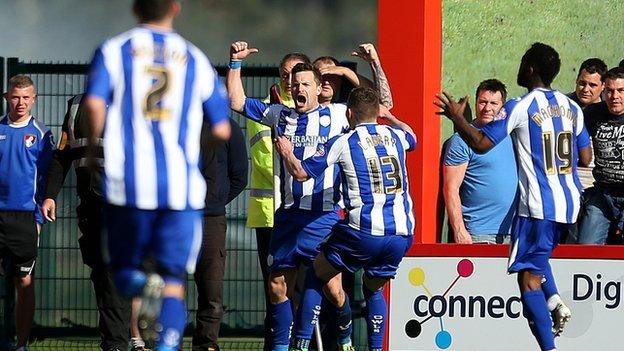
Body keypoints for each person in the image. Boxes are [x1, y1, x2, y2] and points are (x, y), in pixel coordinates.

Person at [84, 1, 231, 350]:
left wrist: (92, 152)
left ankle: (142, 286)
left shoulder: (114, 49)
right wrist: (190, 151)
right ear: (176, 9)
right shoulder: (195, 58)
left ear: (135, 8)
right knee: (174, 281)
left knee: (122, 273)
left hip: (130, 184)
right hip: (181, 189)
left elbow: (92, 104)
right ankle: (167, 344)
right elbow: (223, 129)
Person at [435, 42, 592, 351]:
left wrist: (458, 119)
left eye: (523, 62)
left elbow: (481, 142)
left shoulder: (522, 105)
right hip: (569, 203)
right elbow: (585, 157)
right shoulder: (572, 107)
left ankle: (550, 348)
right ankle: (556, 300)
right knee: (530, 257)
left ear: (530, 69)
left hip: (540, 206)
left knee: (528, 281)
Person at [226, 41, 350, 351]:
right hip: (289, 214)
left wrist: (352, 71)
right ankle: (284, 346)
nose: (298, 89)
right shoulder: (279, 114)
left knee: (330, 286)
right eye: (294, 84)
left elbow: (374, 103)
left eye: (304, 84)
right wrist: (235, 63)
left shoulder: (336, 115)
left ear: (319, 87)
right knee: (277, 285)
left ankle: (345, 329)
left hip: (323, 215)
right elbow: (237, 101)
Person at [274, 87, 415, 351]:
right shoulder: (395, 135)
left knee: (317, 272)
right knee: (373, 289)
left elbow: (302, 173)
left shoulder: (344, 140)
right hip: (402, 235)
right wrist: (391, 117)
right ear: (378, 113)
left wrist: (286, 152)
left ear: (349, 113)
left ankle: (301, 344)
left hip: (363, 231)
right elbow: (413, 136)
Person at [41, 94, 142, 351]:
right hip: (90, 204)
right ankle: (113, 340)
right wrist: (50, 195)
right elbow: (62, 155)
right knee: (100, 273)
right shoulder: (76, 106)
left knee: (113, 274)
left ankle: (117, 343)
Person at [246, 52, 310, 351]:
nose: (289, 80)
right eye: (285, 74)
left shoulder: (314, 112)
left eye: (295, 75)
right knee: (275, 288)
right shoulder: (267, 110)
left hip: (303, 213)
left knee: (304, 287)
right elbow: (262, 158)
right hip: (269, 214)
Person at [0, 75, 54, 351]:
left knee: (24, 281)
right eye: (15, 96)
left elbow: (46, 181)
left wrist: (38, 221)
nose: (20, 102)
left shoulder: (43, 135)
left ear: (34, 99)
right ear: (7, 97)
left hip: (23, 219)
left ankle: (21, 344)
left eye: (25, 97)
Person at [192, 118, 248, 351]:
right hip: (175, 216)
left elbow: (240, 177)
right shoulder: (173, 119)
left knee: (211, 290)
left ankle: (207, 344)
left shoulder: (228, 127)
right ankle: (167, 341)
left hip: (211, 220)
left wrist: (214, 201)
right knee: (168, 285)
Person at [443, 79, 517, 244]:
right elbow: (450, 188)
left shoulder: (512, 136)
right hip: (478, 234)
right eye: (483, 102)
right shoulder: (460, 141)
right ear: (476, 103)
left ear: (502, 107)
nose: (487, 108)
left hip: (512, 233)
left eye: (493, 103)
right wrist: (459, 230)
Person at [575, 67, 624, 245]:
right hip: (603, 194)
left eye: (620, 90)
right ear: (603, 90)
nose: (614, 96)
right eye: (610, 91)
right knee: (585, 247)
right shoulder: (592, 113)